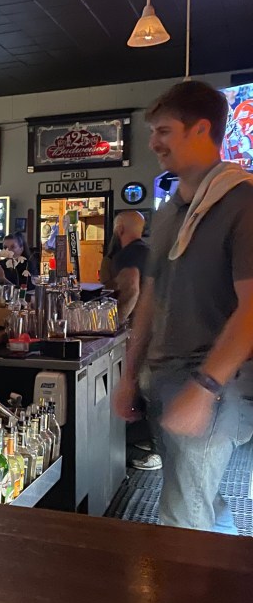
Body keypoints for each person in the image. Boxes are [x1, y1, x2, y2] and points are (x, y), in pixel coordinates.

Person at [112, 80, 253, 533]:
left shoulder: (242, 202)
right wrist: (130, 374)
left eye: (164, 131)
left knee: (181, 521)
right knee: (200, 501)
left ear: (201, 130)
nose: (153, 142)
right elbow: (152, 296)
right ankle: (227, 582)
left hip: (214, 385)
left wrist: (204, 387)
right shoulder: (171, 209)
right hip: (166, 379)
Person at [109, 211, 148, 320]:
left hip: (138, 321)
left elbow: (131, 289)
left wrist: (116, 322)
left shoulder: (127, 254)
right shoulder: (148, 251)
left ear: (120, 229)